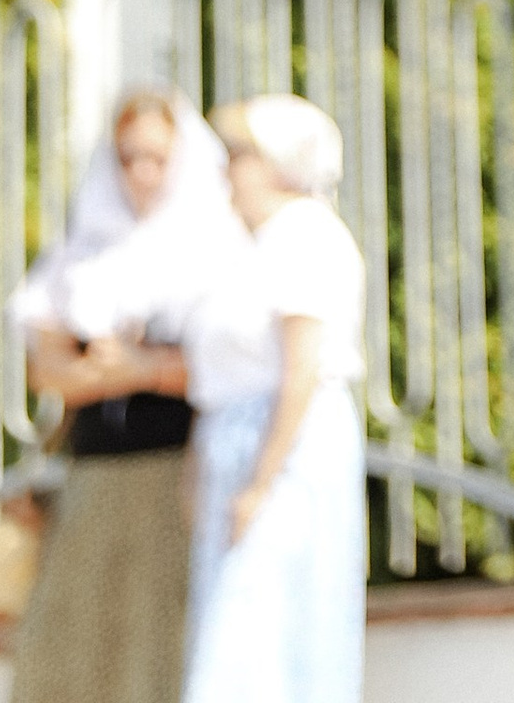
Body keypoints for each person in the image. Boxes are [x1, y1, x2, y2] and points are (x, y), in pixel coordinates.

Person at [5, 88, 241, 703]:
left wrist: (137, 368)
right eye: (128, 156)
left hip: (177, 474)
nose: (142, 172)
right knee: (73, 648)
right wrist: (123, 371)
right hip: (94, 475)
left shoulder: (214, 246)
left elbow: (227, 369)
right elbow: (47, 368)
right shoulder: (89, 248)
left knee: (157, 646)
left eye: (158, 158)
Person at [181, 97, 367, 703]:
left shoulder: (305, 233)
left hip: (286, 454)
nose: (226, 169)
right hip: (238, 447)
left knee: (260, 633)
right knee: (236, 633)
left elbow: (302, 369)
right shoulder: (246, 244)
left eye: (239, 155)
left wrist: (261, 481)